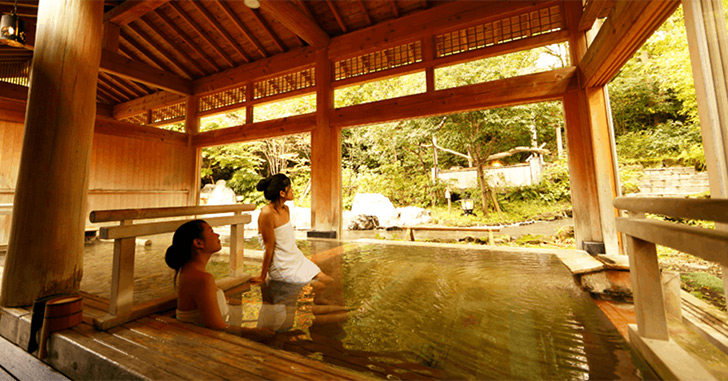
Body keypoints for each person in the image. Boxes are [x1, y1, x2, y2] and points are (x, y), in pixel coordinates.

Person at [165, 219, 271, 339]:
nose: (217, 234)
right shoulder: (203, 279)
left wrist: (255, 305)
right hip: (202, 341)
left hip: (196, 334)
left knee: (276, 314)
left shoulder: (189, 272)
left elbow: (215, 304)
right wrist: (254, 332)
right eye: (211, 231)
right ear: (198, 243)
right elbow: (217, 327)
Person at [251, 174, 332, 287]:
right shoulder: (267, 214)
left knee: (328, 280)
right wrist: (262, 276)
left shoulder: (286, 209)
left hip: (296, 259)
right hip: (282, 265)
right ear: (282, 193)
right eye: (290, 188)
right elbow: (269, 247)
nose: (292, 190)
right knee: (320, 286)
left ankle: (327, 302)